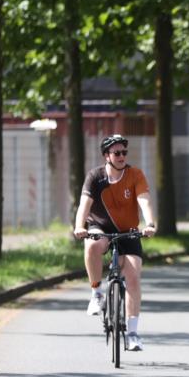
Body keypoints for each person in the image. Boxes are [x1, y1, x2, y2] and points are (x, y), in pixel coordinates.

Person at [72, 134, 157, 352]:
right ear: (106, 156)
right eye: (116, 153)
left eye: (124, 153)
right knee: (92, 246)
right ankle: (96, 293)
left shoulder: (135, 175)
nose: (121, 157)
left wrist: (150, 223)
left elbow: (144, 200)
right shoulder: (95, 177)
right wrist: (80, 226)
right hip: (100, 227)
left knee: (133, 276)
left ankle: (133, 334)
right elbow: (84, 205)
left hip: (128, 231)